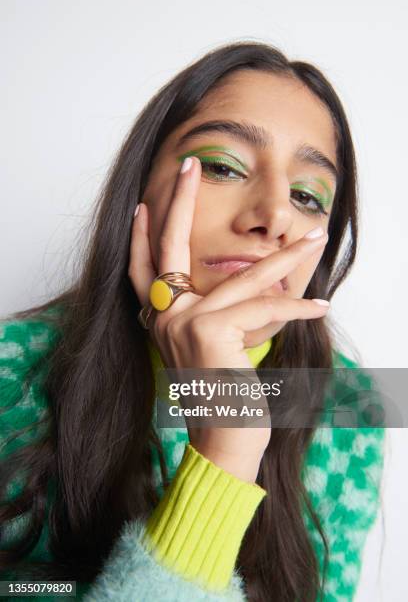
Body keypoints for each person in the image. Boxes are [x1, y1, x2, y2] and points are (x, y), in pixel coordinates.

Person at [0, 41, 385, 601]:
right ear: (140, 191)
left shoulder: (345, 407)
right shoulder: (11, 373)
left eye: (307, 195)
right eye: (224, 167)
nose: (275, 215)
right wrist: (225, 451)